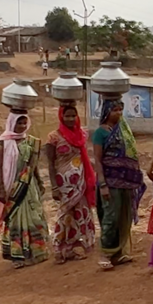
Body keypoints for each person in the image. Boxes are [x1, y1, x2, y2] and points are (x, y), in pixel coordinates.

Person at [89, 96, 145, 271]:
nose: (119, 113)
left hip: (125, 183)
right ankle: (105, 254)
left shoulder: (123, 130)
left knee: (124, 216)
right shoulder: (101, 132)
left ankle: (118, 253)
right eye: (115, 110)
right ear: (107, 112)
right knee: (111, 218)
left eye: (121, 109)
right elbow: (97, 160)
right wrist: (103, 184)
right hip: (111, 182)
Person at [43, 101, 100, 263]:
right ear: (61, 116)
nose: (70, 119)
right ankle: (59, 247)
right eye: (67, 115)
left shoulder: (82, 134)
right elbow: (50, 164)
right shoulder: (53, 137)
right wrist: (54, 186)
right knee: (65, 214)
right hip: (64, 184)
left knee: (81, 212)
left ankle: (74, 246)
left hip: (80, 181)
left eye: (73, 115)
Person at [0, 111, 50, 266]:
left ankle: (37, 252)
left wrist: (39, 182)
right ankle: (18, 255)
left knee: (35, 216)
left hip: (29, 186)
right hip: (13, 187)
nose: (22, 126)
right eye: (19, 123)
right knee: (15, 219)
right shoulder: (2, 143)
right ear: (12, 123)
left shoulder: (31, 142)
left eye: (25, 123)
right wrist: (1, 189)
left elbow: (34, 166)